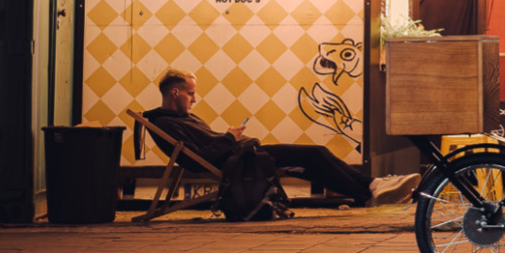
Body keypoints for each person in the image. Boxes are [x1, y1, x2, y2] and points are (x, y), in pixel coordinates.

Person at [144, 68, 420, 207]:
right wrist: (229, 137)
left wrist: (230, 138)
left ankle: (368, 189)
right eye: (190, 93)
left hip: (239, 154)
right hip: (237, 160)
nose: (194, 99)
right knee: (315, 154)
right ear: (175, 93)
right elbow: (200, 159)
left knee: (311, 163)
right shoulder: (167, 123)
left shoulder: (183, 119)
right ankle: (372, 186)